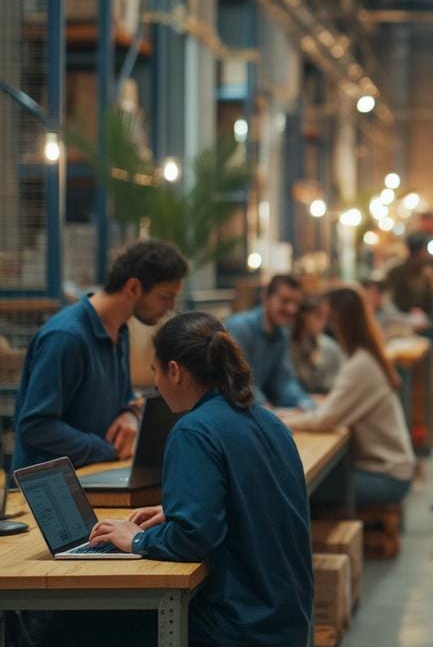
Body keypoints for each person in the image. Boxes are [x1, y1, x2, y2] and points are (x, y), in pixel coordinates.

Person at [87, 312, 313, 647]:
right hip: (288, 622)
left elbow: (193, 538)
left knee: (72, 621)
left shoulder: (193, 431)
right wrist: (179, 510)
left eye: (155, 372)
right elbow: (250, 499)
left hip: (240, 627)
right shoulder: (269, 421)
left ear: (174, 371)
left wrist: (135, 539)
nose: (156, 385)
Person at [11, 240, 188, 471]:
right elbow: (35, 426)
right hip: (46, 490)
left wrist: (131, 415)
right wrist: (107, 450)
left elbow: (126, 399)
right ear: (133, 287)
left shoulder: (120, 331)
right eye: (165, 297)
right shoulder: (66, 337)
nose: (171, 307)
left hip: (95, 473)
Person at [281, 286, 416, 506]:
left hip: (387, 476)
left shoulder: (360, 365)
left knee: (295, 488)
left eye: (328, 318)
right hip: (390, 469)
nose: (325, 326)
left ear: (340, 321)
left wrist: (282, 420)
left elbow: (325, 419)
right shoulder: (366, 357)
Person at [224, 274, 314, 410]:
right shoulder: (240, 327)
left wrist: (305, 403)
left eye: (296, 303)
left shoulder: (282, 334)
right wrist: (266, 410)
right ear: (266, 298)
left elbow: (284, 380)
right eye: (285, 301)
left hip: (254, 409)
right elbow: (238, 381)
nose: (292, 309)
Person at [290, 295, 344, 394]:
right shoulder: (287, 343)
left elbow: (336, 384)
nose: (323, 322)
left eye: (326, 318)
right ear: (304, 316)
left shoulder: (330, 347)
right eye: (318, 316)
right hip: (295, 401)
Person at [385, 234, 433, 329]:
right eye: (425, 251)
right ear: (416, 252)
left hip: (423, 322)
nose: (427, 255)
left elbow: (430, 301)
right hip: (400, 322)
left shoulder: (427, 274)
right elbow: (388, 300)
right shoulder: (396, 272)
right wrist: (408, 314)